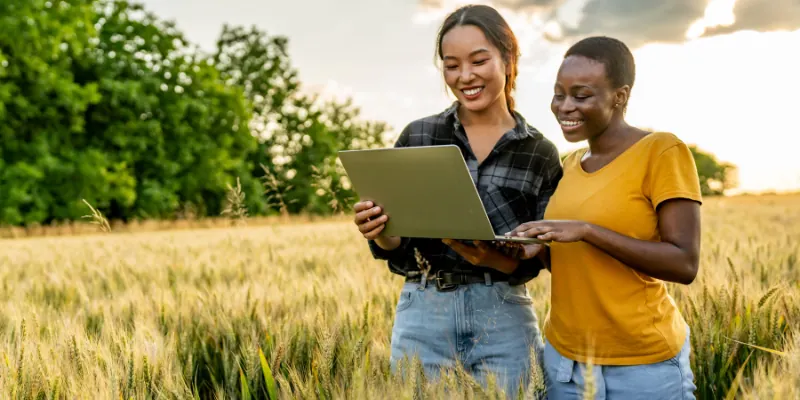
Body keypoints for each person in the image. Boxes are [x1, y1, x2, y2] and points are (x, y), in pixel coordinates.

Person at [352, 4, 563, 398]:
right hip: (424, 311)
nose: (465, 76)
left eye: (479, 60)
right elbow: (395, 248)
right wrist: (379, 231)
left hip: (503, 311)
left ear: (508, 57)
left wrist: (520, 251)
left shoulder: (539, 152)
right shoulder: (419, 136)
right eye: (451, 65)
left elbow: (548, 253)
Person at [509, 36, 701, 399]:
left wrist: (587, 231)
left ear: (620, 96)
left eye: (581, 96)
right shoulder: (568, 166)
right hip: (565, 364)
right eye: (558, 94)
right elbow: (581, 266)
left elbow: (684, 263)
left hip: (642, 367)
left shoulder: (661, 151)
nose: (565, 106)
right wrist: (538, 250)